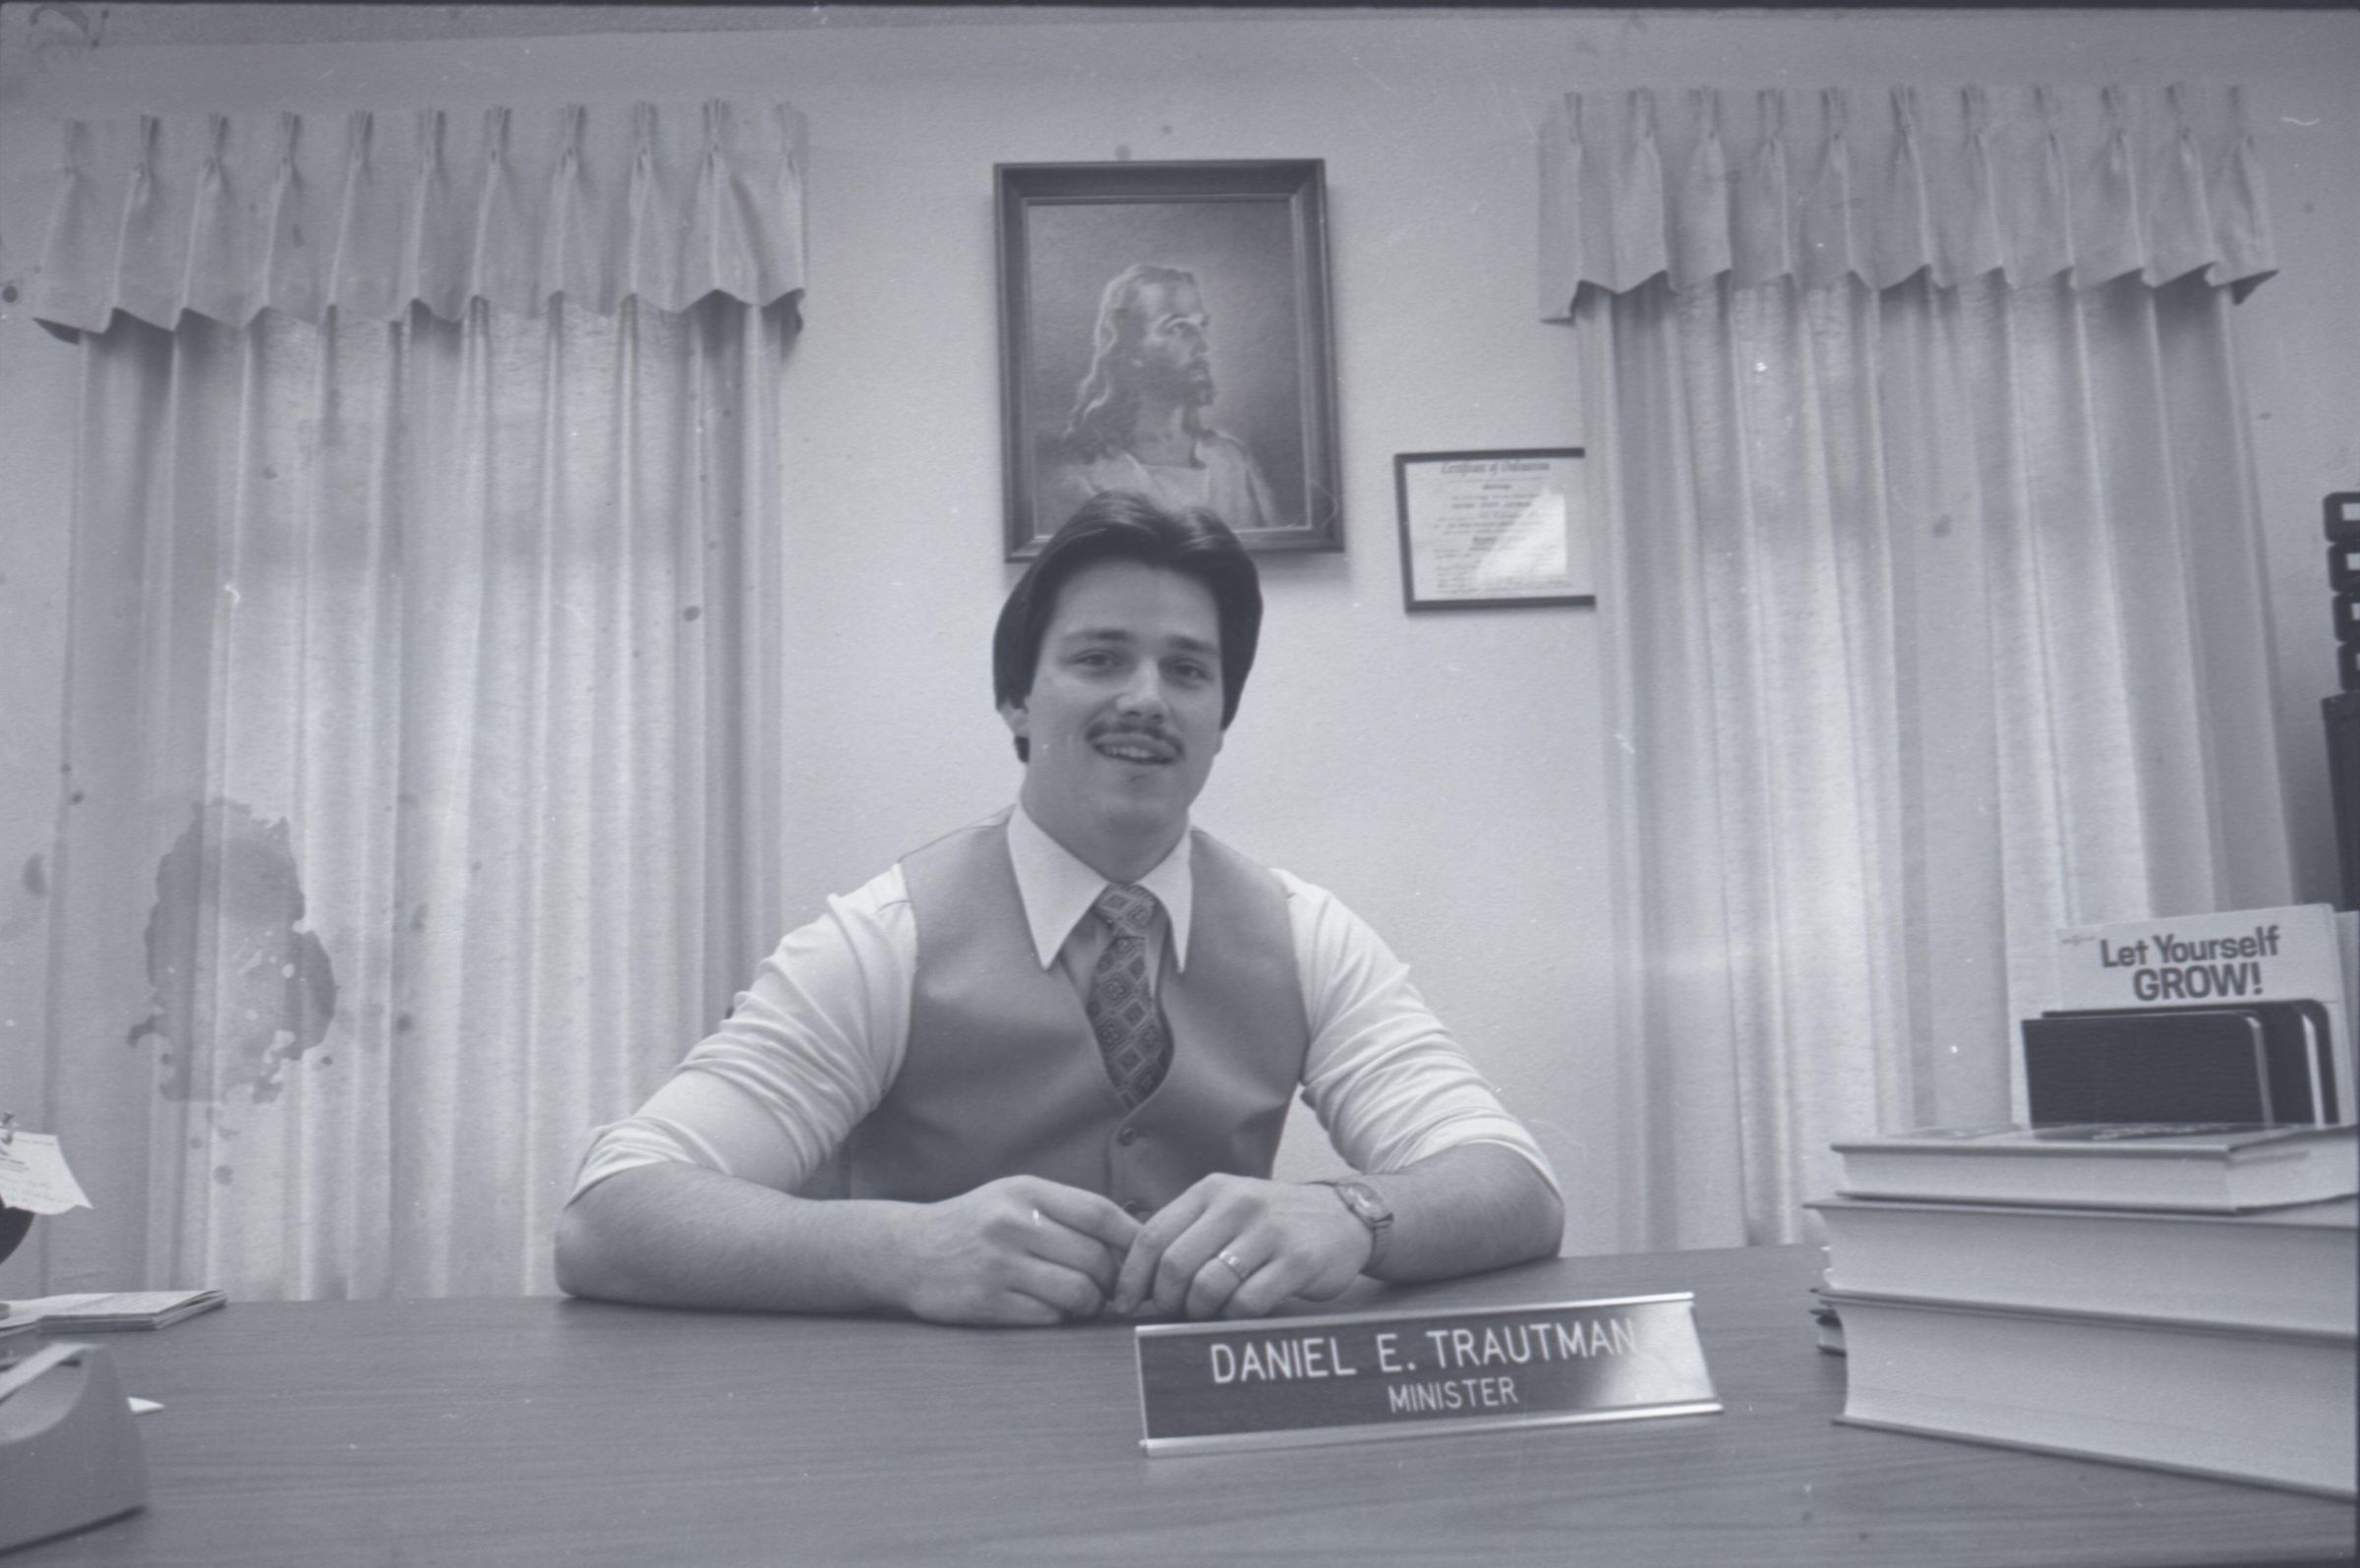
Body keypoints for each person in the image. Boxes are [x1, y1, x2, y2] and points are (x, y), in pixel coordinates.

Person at [556, 492, 1563, 1326]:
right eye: (1100, 658)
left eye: (1187, 670)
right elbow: (608, 1214)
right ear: (1017, 701)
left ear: (1221, 718)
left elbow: (1512, 1182)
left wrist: (1351, 1213)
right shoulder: (881, 938)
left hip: (1211, 1438)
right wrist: (899, 1248)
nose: (1147, 698)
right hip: (933, 1446)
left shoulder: (1307, 935)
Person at [1035, 263, 1282, 534]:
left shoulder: (1232, 462)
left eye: (1202, 325)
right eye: (1178, 328)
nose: (1204, 346)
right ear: (1130, 348)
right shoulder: (1084, 476)